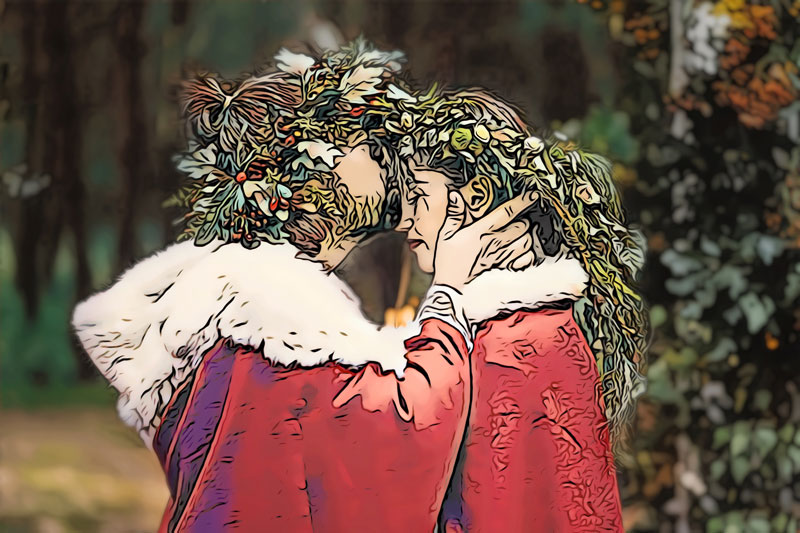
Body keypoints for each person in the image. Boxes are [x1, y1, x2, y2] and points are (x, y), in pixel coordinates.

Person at [72, 40, 543, 532]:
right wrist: (453, 291)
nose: (391, 154)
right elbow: (403, 439)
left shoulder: (249, 310)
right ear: (315, 167)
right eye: (365, 141)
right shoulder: (269, 327)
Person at [384, 84, 648, 531]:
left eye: (418, 195)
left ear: (478, 197)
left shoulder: (507, 346)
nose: (405, 218)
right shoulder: (530, 328)